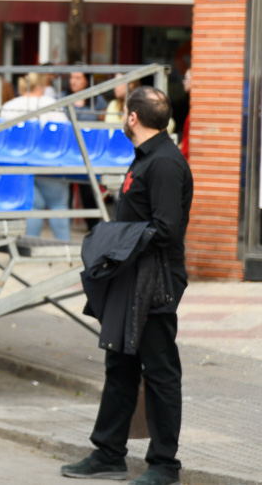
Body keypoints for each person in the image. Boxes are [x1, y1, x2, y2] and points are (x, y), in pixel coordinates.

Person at [61, 87, 192, 485]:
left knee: (160, 371)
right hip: (131, 278)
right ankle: (108, 453)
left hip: (155, 282)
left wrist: (114, 243)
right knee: (120, 365)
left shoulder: (166, 164)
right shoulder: (148, 157)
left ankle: (164, 465)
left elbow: (166, 230)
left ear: (132, 117)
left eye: (124, 113)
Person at [1, 73, 71, 241]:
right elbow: (64, 133)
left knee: (34, 206)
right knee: (58, 204)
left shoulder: (9, 106)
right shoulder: (51, 104)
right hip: (49, 162)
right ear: (39, 86)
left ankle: (31, 244)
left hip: (19, 163)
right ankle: (65, 247)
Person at [66, 70, 108, 231]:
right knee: (65, 192)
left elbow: (105, 124)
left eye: (77, 77)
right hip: (68, 151)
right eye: (71, 77)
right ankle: (66, 227)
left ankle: (94, 229)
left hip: (90, 153)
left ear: (86, 80)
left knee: (89, 192)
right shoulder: (64, 99)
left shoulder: (98, 101)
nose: (73, 81)